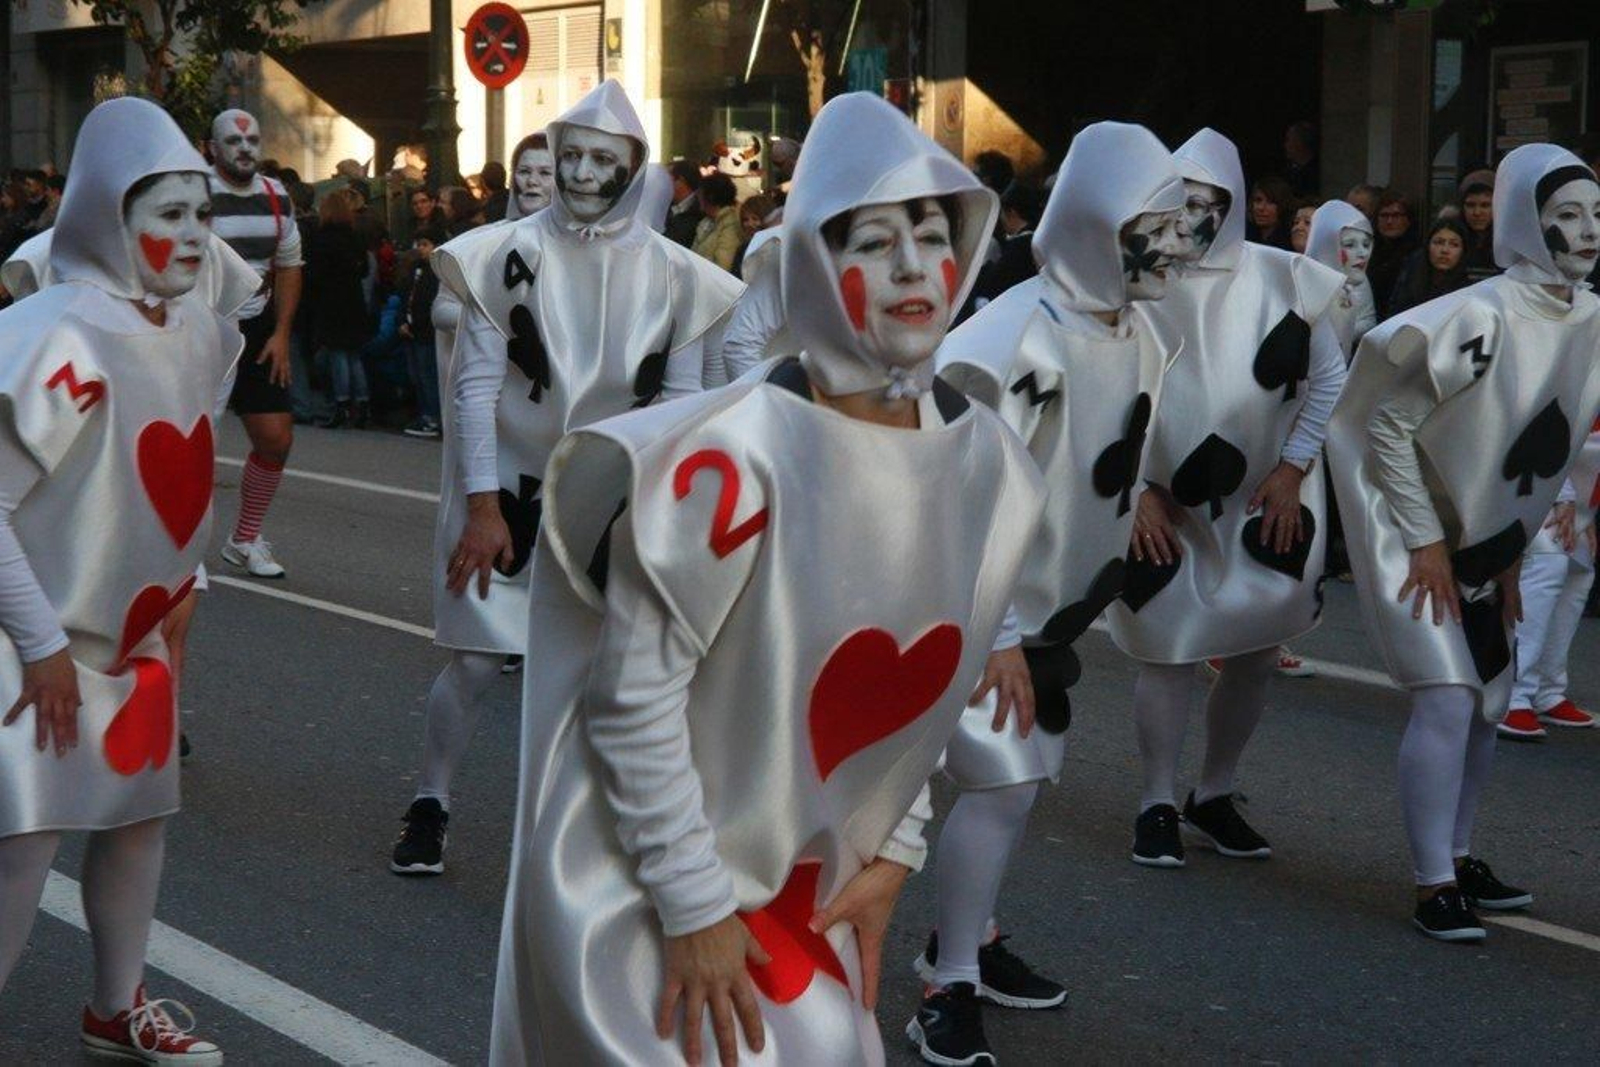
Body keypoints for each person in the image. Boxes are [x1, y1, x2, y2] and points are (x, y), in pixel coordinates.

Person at [485, 88, 1042, 1067]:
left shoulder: (987, 460)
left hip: (808, 875)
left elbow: (928, 684)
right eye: (872, 241)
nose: (913, 264)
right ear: (813, 269)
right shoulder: (728, 462)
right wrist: (694, 907)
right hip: (659, 877)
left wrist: (894, 850)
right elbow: (631, 700)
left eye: (931, 231)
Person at [388, 83, 743, 878]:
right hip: (507, 485)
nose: (583, 173)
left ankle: (571, 831)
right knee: (479, 657)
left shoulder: (678, 276)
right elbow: (475, 386)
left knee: (606, 668)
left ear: (634, 167)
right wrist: (483, 506)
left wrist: (662, 510)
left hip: (612, 497)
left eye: (602, 160)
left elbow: (682, 402)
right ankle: (432, 800)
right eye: (571, 155)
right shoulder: (498, 255)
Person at [921, 121, 1187, 1067]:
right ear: (1093, 224)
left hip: (1051, 614)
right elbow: (960, 494)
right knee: (1002, 783)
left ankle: (969, 939)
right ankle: (944, 983)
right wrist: (991, 629)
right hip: (980, 607)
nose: (1179, 249)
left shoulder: (1135, 325)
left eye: (1181, 225)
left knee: (1017, 790)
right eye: (1155, 227)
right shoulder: (1011, 338)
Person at [0, 95, 246, 1066]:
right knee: (22, 842)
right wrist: (42, 645)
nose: (190, 235)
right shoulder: (54, 334)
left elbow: (177, 487)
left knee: (138, 815)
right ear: (110, 214)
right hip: (34, 642)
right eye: (167, 213)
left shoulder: (192, 329)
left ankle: (115, 1004)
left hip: (133, 639)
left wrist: (189, 591)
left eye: (200, 213)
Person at [1326, 143, 1600, 941]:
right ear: (1526, 221)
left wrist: (1510, 546)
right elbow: (1387, 422)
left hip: (1486, 542)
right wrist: (1424, 542)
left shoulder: (1585, 315)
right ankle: (1431, 881)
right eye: (1567, 215)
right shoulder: (1479, 313)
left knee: (1485, 702)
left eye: (1596, 214)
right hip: (1409, 526)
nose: (1588, 230)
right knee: (1447, 697)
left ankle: (1458, 850)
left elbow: (1539, 437)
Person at [1105, 128, 1347, 870]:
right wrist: (1135, 489)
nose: (1197, 218)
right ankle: (1154, 800)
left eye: (1212, 202)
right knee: (1169, 650)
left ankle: (1213, 792)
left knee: (1254, 650)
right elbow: (1109, 387)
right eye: (1182, 203)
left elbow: (1329, 378)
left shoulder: (1290, 279)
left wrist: (1294, 468)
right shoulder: (1138, 279)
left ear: (1237, 202)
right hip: (1165, 499)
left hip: (1261, 497)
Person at [207, 108, 303, 580]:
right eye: (233, 141)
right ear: (213, 148)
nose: (245, 149)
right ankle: (173, 550)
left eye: (252, 140)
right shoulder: (194, 192)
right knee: (191, 446)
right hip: (203, 330)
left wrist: (282, 333)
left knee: (275, 438)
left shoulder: (275, 195)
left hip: (260, 330)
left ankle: (243, 538)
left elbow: (289, 266)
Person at [1500, 420, 1600, 739]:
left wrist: (1586, 513)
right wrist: (1564, 495)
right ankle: (1510, 693)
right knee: (1548, 560)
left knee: (1578, 572)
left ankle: (1546, 688)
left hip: (1569, 483)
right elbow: (1548, 413)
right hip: (1534, 470)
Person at [307, 189, 372, 429]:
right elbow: (364, 270)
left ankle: (342, 404)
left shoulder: (323, 239)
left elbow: (315, 276)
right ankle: (362, 404)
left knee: (337, 355)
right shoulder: (355, 237)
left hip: (331, 303)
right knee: (353, 355)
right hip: (353, 301)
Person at [1307, 200, 1378, 358]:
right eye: (1350, 244)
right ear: (1327, 244)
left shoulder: (1358, 279)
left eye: (1366, 245)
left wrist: (1344, 329)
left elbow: (1368, 321)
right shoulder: (1303, 280)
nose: (1363, 253)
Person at [399, 224, 445, 438]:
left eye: (425, 244)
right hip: (413, 330)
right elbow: (407, 295)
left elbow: (431, 302)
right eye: (419, 244)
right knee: (417, 375)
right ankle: (426, 414)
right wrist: (404, 321)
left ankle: (434, 417)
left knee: (428, 376)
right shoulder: (417, 269)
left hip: (427, 332)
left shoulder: (439, 273)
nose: (421, 249)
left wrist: (418, 323)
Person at [1386, 218, 1471, 317]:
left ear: (1463, 251)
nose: (1445, 250)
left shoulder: (1467, 292)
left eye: (1454, 245)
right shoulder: (1410, 280)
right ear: (1427, 247)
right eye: (1439, 242)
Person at [1368, 190, 1420, 317]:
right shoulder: (1366, 251)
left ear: (1408, 220)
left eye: (1396, 215)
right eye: (1384, 215)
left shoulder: (1418, 255)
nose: (1389, 221)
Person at [692, 172, 742, 271]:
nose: (697, 196)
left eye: (700, 193)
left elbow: (723, 266)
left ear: (710, 197)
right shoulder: (707, 221)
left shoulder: (731, 225)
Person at [1458, 171, 1498, 281]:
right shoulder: (1451, 242)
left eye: (1485, 205)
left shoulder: (1510, 246)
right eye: (1470, 205)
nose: (1477, 212)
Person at [731, 192, 777, 277]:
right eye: (745, 220)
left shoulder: (777, 247)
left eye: (755, 219)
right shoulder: (742, 250)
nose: (749, 224)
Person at [1245, 176, 1296, 249]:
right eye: (1258, 200)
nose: (1261, 208)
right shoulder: (1245, 237)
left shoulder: (1290, 242)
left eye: (1270, 202)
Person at [664, 159, 704, 247]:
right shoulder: (666, 206)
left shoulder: (701, 211)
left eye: (665, 180)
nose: (662, 185)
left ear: (680, 181)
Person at [1283, 119, 1320, 198]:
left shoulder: (1318, 172)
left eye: (1288, 140)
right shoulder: (1288, 172)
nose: (1285, 145)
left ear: (1299, 143)